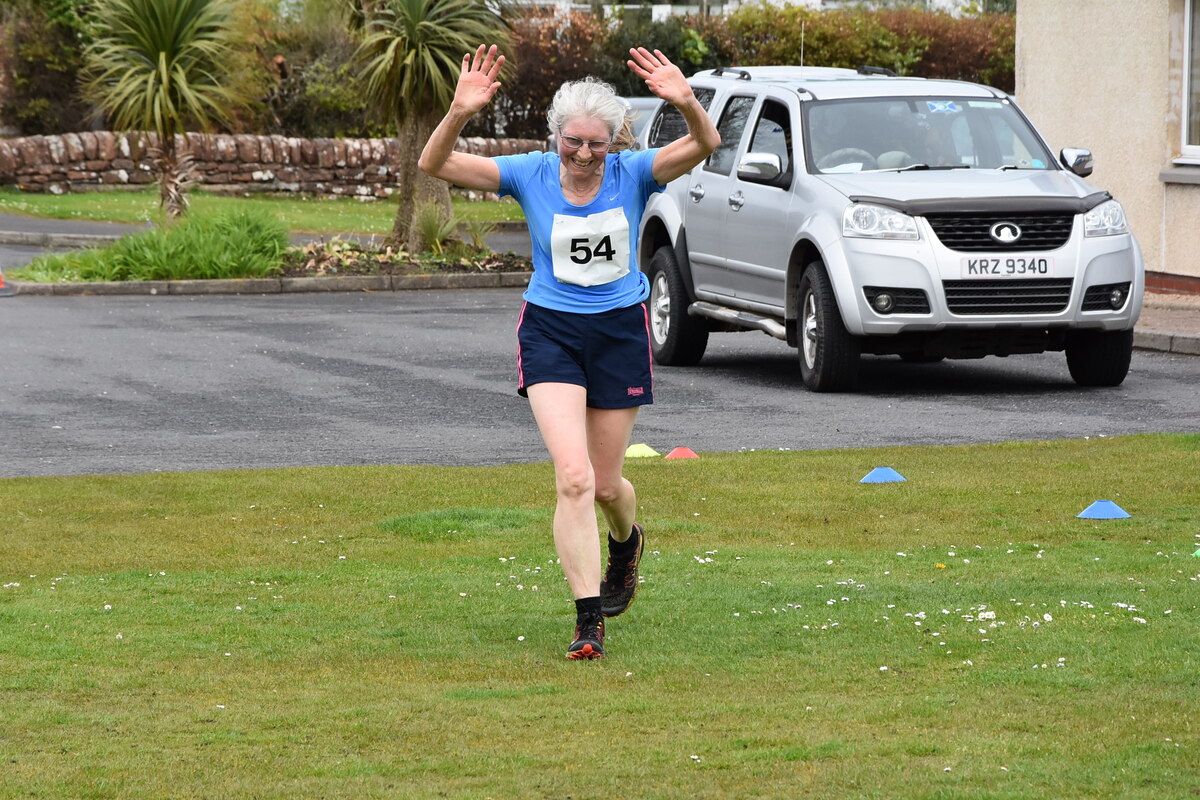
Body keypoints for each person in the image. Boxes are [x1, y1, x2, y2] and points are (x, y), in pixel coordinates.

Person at [418, 44, 719, 660]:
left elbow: (705, 147)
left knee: (607, 484)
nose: (584, 155)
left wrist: (686, 101)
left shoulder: (632, 172)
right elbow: (434, 163)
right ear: (555, 137)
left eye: (596, 144)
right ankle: (588, 621)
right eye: (573, 142)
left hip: (619, 333)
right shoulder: (528, 173)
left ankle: (627, 543)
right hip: (551, 330)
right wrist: (458, 111)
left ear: (614, 143)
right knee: (574, 476)